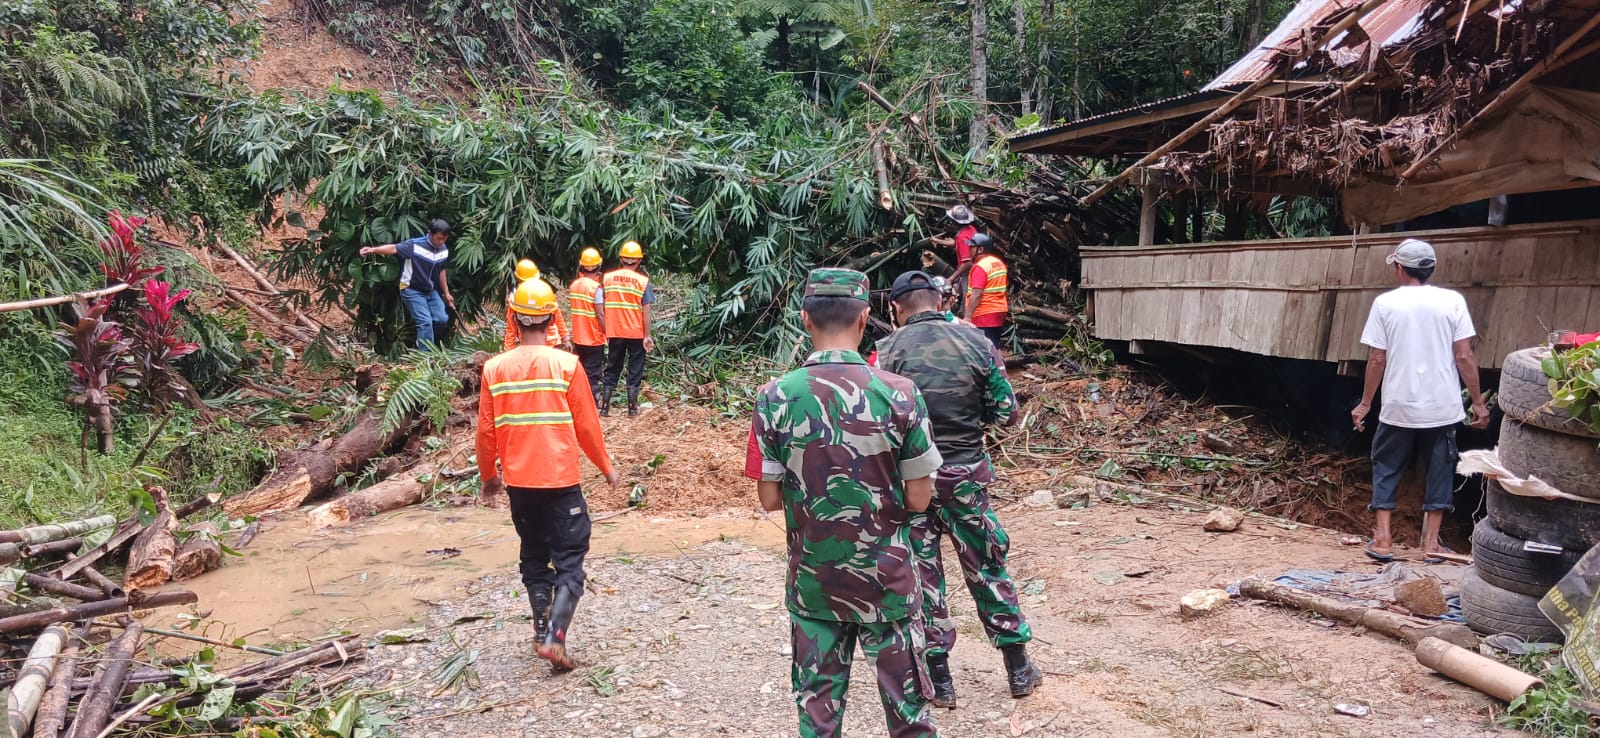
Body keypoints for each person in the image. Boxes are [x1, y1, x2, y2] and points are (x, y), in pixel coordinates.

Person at [752, 268, 944, 738]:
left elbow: (769, 498)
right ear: (864, 318)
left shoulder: (773, 397)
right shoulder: (901, 394)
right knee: (909, 719)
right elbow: (920, 498)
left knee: (818, 718)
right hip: (888, 583)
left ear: (804, 319)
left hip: (814, 584)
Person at [876, 270, 1043, 706]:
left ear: (895, 308)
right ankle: (1018, 669)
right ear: (940, 300)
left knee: (922, 577)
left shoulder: (886, 352)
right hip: (966, 475)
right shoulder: (977, 342)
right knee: (987, 566)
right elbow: (1006, 412)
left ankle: (941, 681)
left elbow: (879, 423)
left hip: (912, 482)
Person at [477, 278, 620, 671]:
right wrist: (606, 467)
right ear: (554, 318)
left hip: (520, 485)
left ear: (513, 318)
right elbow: (587, 427)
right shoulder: (567, 365)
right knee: (570, 559)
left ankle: (542, 630)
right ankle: (555, 637)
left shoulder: (494, 369)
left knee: (535, 556)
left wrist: (489, 476)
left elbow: (486, 432)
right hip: (560, 482)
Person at [1351, 238, 1489, 562]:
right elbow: (1464, 356)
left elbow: (1377, 359)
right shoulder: (1452, 301)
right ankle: (1431, 544)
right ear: (1430, 269)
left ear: (1400, 268)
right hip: (1442, 407)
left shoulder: (1385, 304)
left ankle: (1382, 540)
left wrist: (1366, 403)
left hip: (1398, 406)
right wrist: (1478, 402)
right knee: (1440, 469)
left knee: (1386, 466)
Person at [359, 219, 456, 350]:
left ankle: (423, 342)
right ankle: (425, 355)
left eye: (444, 239)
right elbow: (394, 248)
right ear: (429, 233)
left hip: (430, 290)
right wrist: (372, 250)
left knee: (442, 319)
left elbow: (441, 271)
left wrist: (446, 293)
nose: (442, 242)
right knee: (425, 322)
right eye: (439, 238)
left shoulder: (443, 249)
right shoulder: (414, 245)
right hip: (410, 289)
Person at [601, 240, 655, 417]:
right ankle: (632, 408)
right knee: (635, 368)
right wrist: (647, 335)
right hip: (636, 332)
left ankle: (605, 407)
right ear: (639, 260)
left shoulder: (608, 278)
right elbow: (646, 310)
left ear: (621, 259)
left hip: (615, 330)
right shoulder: (642, 281)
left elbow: (601, 305)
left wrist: (605, 328)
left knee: (612, 366)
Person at [502, 259, 568, 351]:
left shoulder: (516, 298)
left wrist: (508, 351)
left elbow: (511, 327)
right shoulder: (545, 293)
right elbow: (557, 315)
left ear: (518, 279)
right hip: (550, 343)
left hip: (534, 344)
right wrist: (565, 337)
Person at [569, 248, 608, 397]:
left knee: (581, 372)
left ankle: (579, 401)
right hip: (593, 338)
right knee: (593, 374)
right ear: (598, 266)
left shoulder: (574, 285)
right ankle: (592, 403)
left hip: (578, 337)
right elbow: (600, 314)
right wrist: (607, 333)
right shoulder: (595, 288)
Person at [964, 234, 1010, 350]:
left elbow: (977, 294)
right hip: (999, 310)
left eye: (972, 247)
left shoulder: (980, 267)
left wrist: (967, 317)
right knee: (994, 346)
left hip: (983, 313)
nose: (969, 249)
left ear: (980, 249)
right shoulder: (998, 263)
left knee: (983, 349)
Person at [930, 205, 978, 312]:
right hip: (973, 271)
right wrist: (938, 241)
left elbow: (967, 262)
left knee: (967, 304)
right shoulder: (970, 230)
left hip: (968, 274)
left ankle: (965, 318)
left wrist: (951, 278)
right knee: (955, 294)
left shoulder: (962, 237)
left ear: (955, 222)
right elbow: (957, 244)